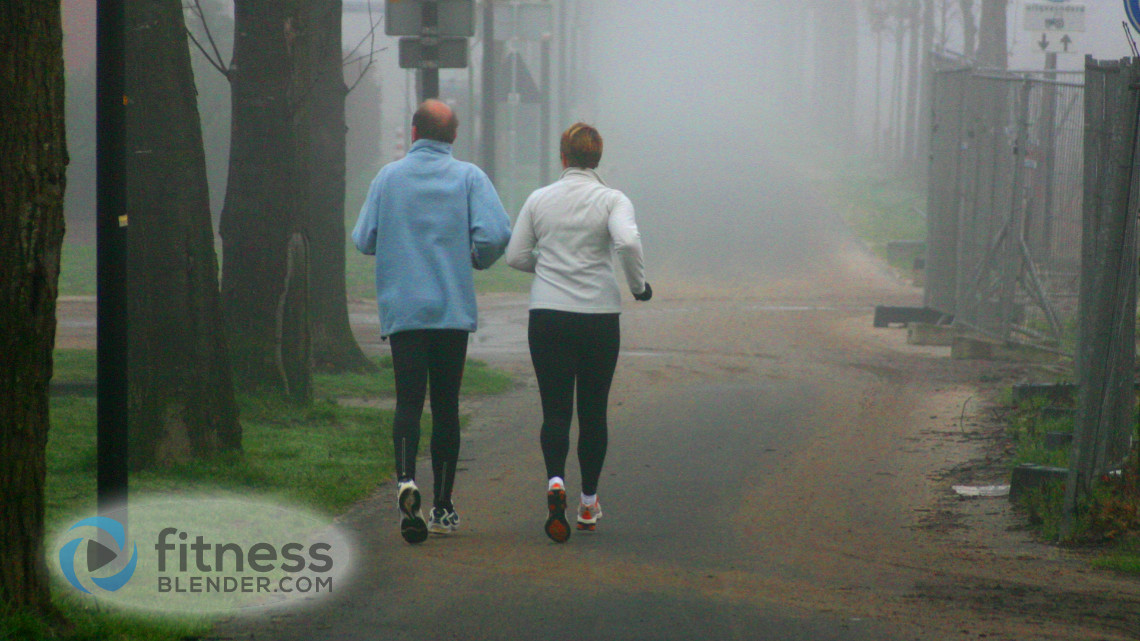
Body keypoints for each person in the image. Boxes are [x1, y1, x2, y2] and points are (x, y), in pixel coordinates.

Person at [352, 100, 511, 544]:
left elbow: (364, 238)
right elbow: (497, 233)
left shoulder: (388, 178)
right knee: (446, 406)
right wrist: (477, 257)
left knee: (407, 401)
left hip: (404, 312)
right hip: (450, 311)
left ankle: (405, 481)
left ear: (414, 129)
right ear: (454, 136)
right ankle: (442, 505)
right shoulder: (469, 178)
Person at [505, 123, 652, 543]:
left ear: (563, 156)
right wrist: (638, 287)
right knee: (593, 411)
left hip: (548, 315)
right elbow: (626, 242)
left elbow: (515, 256)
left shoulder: (538, 199)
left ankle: (555, 482)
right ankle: (588, 502)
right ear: (598, 158)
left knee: (554, 410)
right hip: (598, 317)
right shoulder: (613, 200)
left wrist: (550, 267)